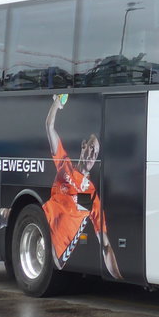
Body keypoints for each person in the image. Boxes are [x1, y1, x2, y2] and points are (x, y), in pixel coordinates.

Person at [43, 94, 122, 279]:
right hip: (42, 225)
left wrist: (120, 278)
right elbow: (49, 126)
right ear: (83, 145)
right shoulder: (64, 164)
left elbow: (105, 246)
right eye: (91, 148)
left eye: (96, 153)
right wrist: (56, 104)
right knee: (0, 215)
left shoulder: (91, 195)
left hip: (56, 251)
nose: (93, 154)